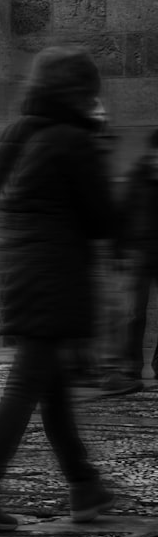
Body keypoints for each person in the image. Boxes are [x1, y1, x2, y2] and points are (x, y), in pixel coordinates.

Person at [0, 45, 116, 532]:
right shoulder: (73, 139)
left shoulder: (2, 138)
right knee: (28, 383)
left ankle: (84, 485)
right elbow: (101, 217)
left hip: (14, 266)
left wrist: (18, 231)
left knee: (51, 384)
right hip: (53, 270)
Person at [104, 129, 158, 388]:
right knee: (135, 313)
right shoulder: (139, 177)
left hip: (144, 249)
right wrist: (118, 249)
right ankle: (132, 366)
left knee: (135, 313)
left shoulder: (139, 176)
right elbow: (123, 213)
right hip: (141, 251)